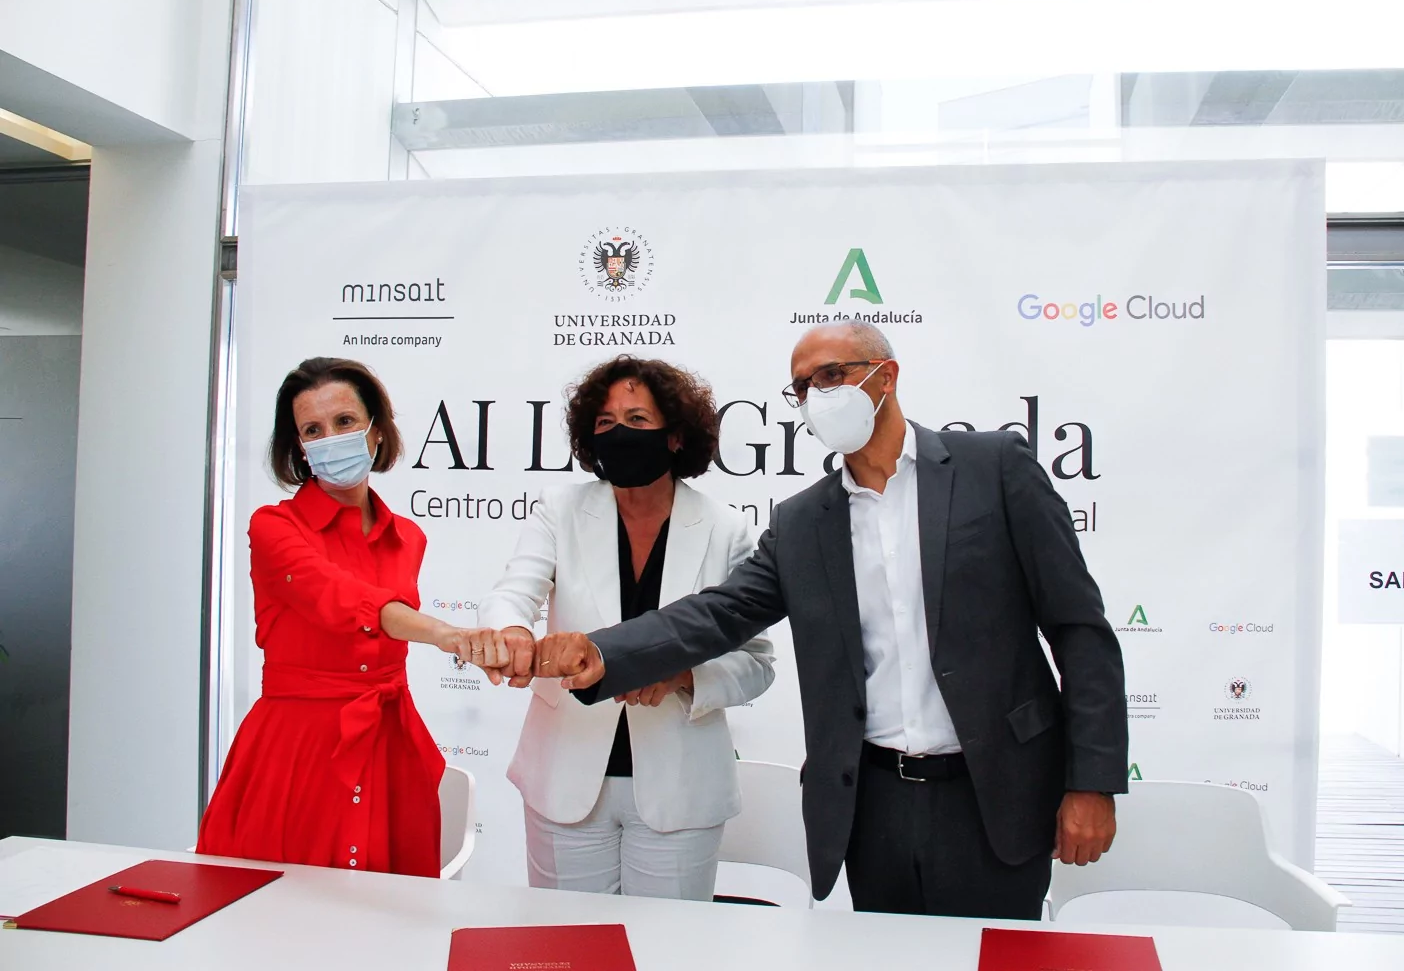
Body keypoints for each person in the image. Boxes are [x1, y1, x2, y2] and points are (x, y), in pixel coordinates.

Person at [530, 322, 1127, 919]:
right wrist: (603, 651)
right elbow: (720, 611)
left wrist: (1091, 782)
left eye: (833, 375)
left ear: (886, 377)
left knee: (993, 958)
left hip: (997, 792)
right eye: (802, 386)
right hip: (872, 804)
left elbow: (1080, 629)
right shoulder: (803, 522)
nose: (817, 395)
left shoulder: (993, 467)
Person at [197, 357, 512, 876]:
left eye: (344, 422)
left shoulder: (408, 536)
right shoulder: (274, 527)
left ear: (376, 430)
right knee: (276, 906)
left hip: (391, 744)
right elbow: (339, 597)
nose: (331, 439)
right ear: (298, 446)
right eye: (312, 430)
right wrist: (447, 635)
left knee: (389, 907)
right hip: (298, 749)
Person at [479, 356, 775, 901]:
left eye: (638, 420)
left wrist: (684, 676)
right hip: (564, 777)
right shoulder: (559, 510)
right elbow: (512, 594)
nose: (619, 433)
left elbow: (756, 662)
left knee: (667, 944)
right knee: (567, 941)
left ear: (675, 436)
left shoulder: (726, 527)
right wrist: (511, 634)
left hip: (681, 789)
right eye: (605, 422)